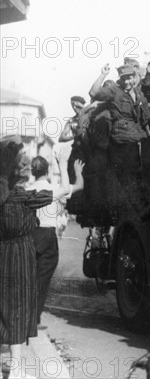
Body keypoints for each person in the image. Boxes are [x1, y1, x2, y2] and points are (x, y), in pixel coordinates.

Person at [0, 137, 84, 379]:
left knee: (4, 308)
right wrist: (64, 163)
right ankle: (16, 369)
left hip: (3, 255)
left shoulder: (6, 194)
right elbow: (68, 189)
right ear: (19, 171)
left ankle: (14, 367)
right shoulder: (26, 197)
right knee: (18, 309)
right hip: (20, 257)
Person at [26, 155, 71, 324]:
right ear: (47, 171)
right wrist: (65, 166)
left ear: (33, 172)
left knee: (30, 276)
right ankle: (33, 318)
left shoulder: (27, 190)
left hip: (30, 235)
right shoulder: (51, 189)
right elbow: (69, 189)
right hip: (47, 236)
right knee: (42, 279)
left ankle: (28, 316)